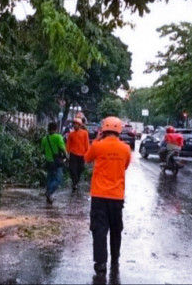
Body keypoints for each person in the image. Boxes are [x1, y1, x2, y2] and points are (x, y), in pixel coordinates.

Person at [84, 116, 131, 274]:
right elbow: (125, 166)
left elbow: (87, 158)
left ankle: (101, 262)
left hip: (99, 195)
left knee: (99, 229)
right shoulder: (125, 148)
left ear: (103, 130)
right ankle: (115, 258)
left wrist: (96, 141)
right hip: (117, 196)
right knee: (116, 229)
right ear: (119, 130)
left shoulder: (98, 146)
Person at [41, 122, 67, 204]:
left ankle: (48, 195)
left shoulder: (44, 138)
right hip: (56, 162)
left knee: (50, 178)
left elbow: (42, 151)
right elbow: (63, 148)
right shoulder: (58, 137)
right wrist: (66, 156)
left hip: (48, 161)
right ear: (56, 129)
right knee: (58, 179)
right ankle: (49, 193)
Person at [66, 117, 89, 191]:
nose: (74, 126)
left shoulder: (84, 133)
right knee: (72, 169)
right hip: (73, 154)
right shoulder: (71, 134)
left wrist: (87, 153)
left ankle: (76, 181)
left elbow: (86, 144)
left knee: (80, 168)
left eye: (76, 124)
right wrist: (67, 153)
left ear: (79, 125)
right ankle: (74, 183)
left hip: (82, 155)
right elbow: (68, 144)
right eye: (74, 124)